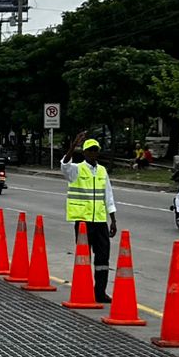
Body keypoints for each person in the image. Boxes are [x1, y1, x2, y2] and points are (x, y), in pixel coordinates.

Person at [61, 130, 118, 304]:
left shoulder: (102, 171)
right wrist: (73, 145)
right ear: (84, 152)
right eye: (90, 150)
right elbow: (64, 165)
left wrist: (113, 219)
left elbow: (108, 195)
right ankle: (83, 289)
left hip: (100, 221)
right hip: (83, 222)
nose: (93, 152)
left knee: (103, 258)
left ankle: (100, 292)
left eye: (95, 150)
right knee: (84, 258)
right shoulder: (76, 169)